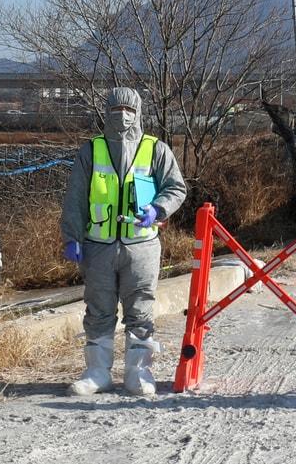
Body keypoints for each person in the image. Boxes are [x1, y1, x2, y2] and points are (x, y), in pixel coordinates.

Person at [60, 88, 188, 396]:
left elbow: (176, 188)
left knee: (141, 308)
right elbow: (76, 197)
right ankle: (97, 372)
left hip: (142, 245)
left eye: (128, 108)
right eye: (116, 108)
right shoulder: (92, 150)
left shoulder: (155, 149)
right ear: (107, 112)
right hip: (98, 245)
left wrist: (157, 208)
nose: (123, 114)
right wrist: (71, 236)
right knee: (99, 308)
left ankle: (139, 371)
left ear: (138, 112)